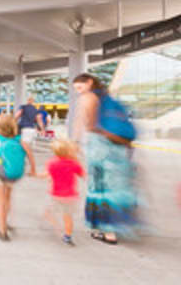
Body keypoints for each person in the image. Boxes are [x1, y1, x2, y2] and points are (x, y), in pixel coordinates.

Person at [72, 73, 138, 245]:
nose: (79, 91)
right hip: (117, 146)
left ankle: (104, 230)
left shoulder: (87, 97)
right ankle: (114, 229)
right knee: (113, 186)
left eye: (79, 87)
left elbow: (84, 123)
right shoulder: (107, 98)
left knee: (98, 187)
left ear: (89, 82)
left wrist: (76, 142)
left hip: (98, 145)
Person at [0, 114, 37, 241]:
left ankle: (3, 230)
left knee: (0, 201)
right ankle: (7, 222)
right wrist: (33, 169)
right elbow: (29, 153)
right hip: (12, 173)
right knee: (8, 198)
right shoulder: (19, 139)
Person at [37, 138, 85, 246]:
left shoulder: (52, 163)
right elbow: (82, 174)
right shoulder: (73, 163)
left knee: (47, 211)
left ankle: (56, 226)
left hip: (55, 194)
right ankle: (68, 236)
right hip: (70, 195)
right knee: (68, 217)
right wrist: (76, 160)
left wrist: (35, 174)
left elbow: (45, 175)